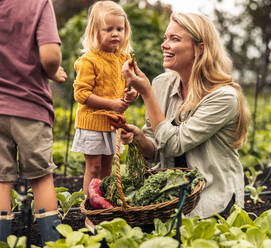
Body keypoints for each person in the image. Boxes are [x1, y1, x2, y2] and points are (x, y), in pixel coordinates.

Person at [121, 12, 250, 219]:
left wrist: (145, 93)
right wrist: (138, 138)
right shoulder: (161, 84)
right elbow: (155, 149)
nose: (164, 44)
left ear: (200, 49)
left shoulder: (223, 97)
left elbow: (174, 144)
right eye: (166, 37)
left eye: (175, 39)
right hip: (169, 198)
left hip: (213, 203)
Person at [0, 0, 67, 244]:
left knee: (1, 180)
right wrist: (53, 71)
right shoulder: (38, 3)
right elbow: (49, 57)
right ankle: (51, 241)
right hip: (30, 107)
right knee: (40, 178)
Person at [70, 1, 137, 230]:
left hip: (111, 125)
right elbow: (81, 94)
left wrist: (131, 93)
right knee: (94, 168)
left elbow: (127, 84)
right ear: (95, 32)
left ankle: (104, 209)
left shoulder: (123, 58)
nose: (115, 33)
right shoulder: (89, 60)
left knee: (108, 170)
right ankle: (90, 212)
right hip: (92, 122)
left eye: (119, 29)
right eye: (108, 29)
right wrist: (111, 103)